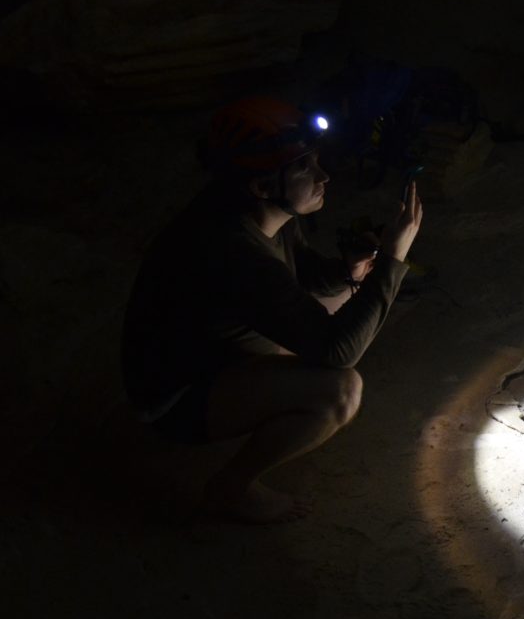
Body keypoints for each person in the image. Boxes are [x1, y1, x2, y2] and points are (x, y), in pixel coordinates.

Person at [121, 96, 423, 522]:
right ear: (262, 186)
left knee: (350, 296)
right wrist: (393, 259)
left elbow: (301, 274)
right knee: (339, 391)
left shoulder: (257, 211)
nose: (323, 175)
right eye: (304, 167)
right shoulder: (232, 251)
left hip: (222, 343)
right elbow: (340, 353)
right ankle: (230, 488)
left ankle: (266, 394)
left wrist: (349, 269)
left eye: (315, 160)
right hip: (176, 397)